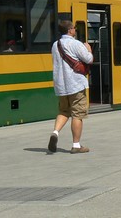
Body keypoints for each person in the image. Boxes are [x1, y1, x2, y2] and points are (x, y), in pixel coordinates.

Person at [48, 20, 94, 154]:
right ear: (70, 30)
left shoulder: (55, 45)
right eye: (74, 28)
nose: (75, 30)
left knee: (63, 111)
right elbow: (89, 59)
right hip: (75, 84)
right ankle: (76, 145)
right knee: (77, 114)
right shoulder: (76, 44)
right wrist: (89, 50)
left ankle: (55, 133)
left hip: (61, 85)